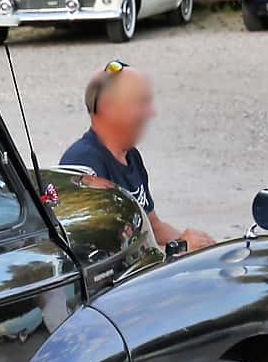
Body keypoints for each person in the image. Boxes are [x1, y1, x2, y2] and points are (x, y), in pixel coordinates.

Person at [59, 61, 214, 252]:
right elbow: (107, 256)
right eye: (140, 103)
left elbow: (153, 227)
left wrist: (202, 246)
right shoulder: (84, 166)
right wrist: (180, 250)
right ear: (110, 108)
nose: (151, 112)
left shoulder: (130, 155)